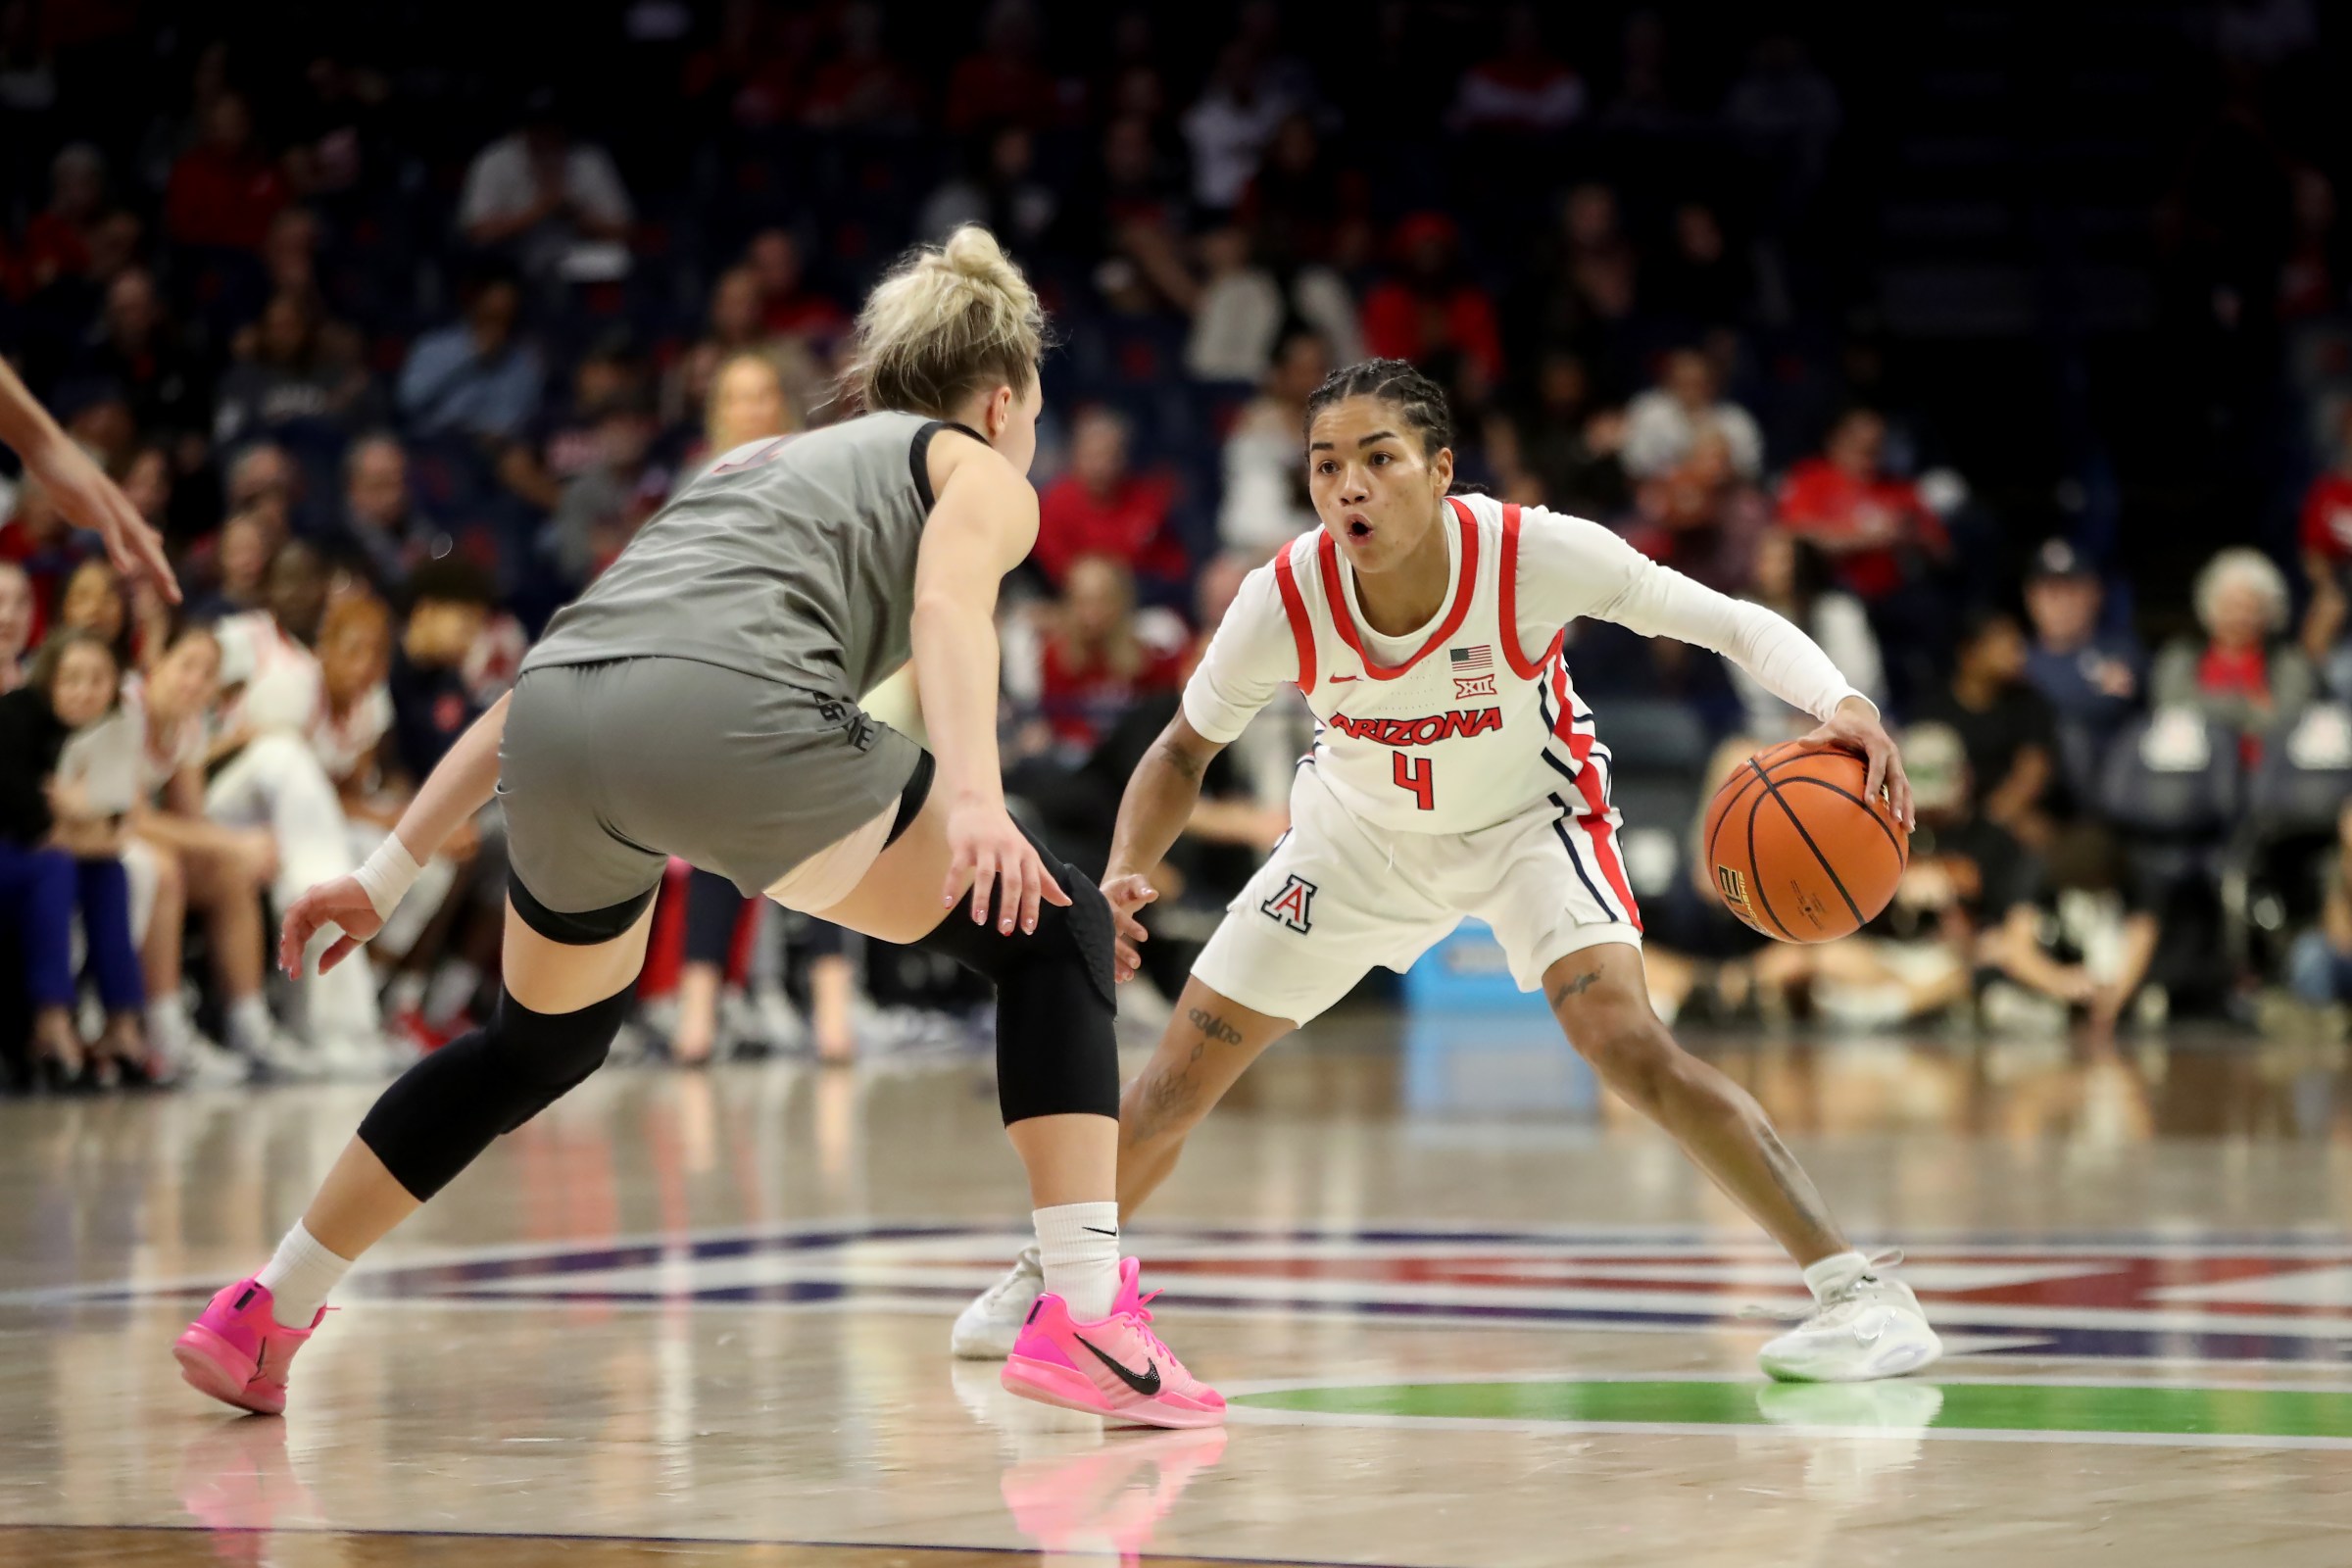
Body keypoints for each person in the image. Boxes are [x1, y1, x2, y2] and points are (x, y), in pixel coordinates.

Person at [173, 226, 1220, 1430]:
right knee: (1060, 931)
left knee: (535, 1046)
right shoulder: (980, 470)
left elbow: (560, 671)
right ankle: (1088, 1318)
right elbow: (947, 608)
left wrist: (387, 866)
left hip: (562, 728)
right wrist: (979, 803)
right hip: (732, 719)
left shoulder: (756, 463)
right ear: (1000, 401)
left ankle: (266, 1308)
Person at [949, 359, 1940, 1384]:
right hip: (1354, 841)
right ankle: (1053, 1278)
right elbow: (1180, 750)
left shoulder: (1528, 553)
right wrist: (1123, 874)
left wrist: (1843, 704)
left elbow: (1727, 619)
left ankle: (1860, 1294)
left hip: (1530, 825)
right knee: (1170, 1088)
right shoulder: (1284, 594)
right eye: (1327, 465)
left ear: (1440, 469)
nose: (1350, 486)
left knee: (1627, 1043)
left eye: (1379, 459)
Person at [0, 631, 144, 1088]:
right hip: (11, 851)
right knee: (58, 865)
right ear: (49, 681)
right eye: (72, 679)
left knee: (111, 873)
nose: (84, 691)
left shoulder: (111, 732)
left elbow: (118, 829)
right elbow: (38, 829)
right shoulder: (15, 718)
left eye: (98, 679)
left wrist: (81, 816)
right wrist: (85, 821)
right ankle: (51, 1019)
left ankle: (122, 1024)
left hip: (42, 853)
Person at [2150, 548, 2315, 765]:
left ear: (2269, 613)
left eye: (2250, 608)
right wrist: (2251, 709)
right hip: (2193, 771)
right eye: (2230, 606)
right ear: (2210, 607)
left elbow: (2287, 722)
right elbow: (2171, 713)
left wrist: (2203, 704)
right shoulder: (2179, 658)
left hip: (2265, 774)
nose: (2240, 617)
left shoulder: (2289, 663)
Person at [1913, 609, 2060, 850]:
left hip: (2003, 819)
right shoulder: (1931, 709)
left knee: (2036, 834)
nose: (2016, 651)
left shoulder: (2029, 702)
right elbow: (1921, 783)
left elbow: (2032, 774)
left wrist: (1986, 824)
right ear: (1968, 653)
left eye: (2018, 642)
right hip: (1944, 820)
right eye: (2002, 641)